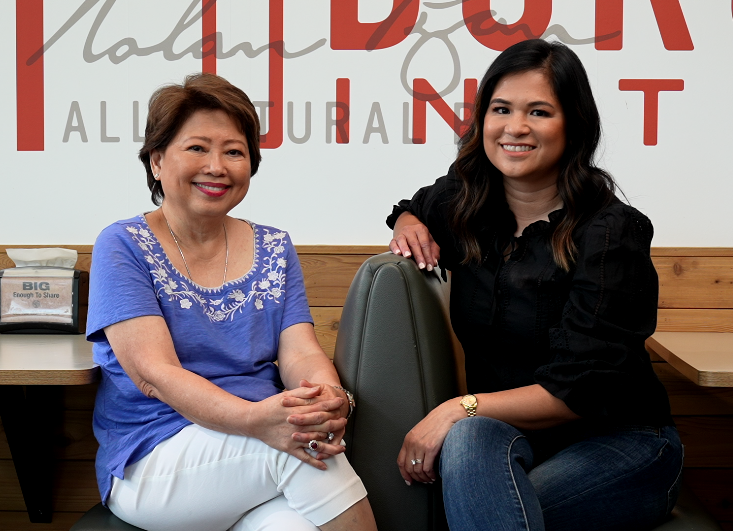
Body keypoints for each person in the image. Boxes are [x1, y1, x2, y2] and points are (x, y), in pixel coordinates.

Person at [387, 39, 682, 531]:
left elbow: (579, 391)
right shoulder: (465, 206)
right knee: (470, 444)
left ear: (574, 125)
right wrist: (407, 221)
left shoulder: (610, 233)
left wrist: (455, 409)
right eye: (501, 109)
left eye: (539, 111)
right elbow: (415, 205)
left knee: (484, 506)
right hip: (508, 437)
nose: (515, 127)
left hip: (623, 445)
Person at [87, 73, 377, 531]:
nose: (217, 166)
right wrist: (257, 421)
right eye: (197, 147)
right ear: (158, 160)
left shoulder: (275, 246)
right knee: (301, 454)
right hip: (156, 458)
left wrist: (327, 397)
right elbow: (154, 375)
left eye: (234, 151)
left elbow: (300, 351)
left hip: (261, 451)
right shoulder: (123, 244)